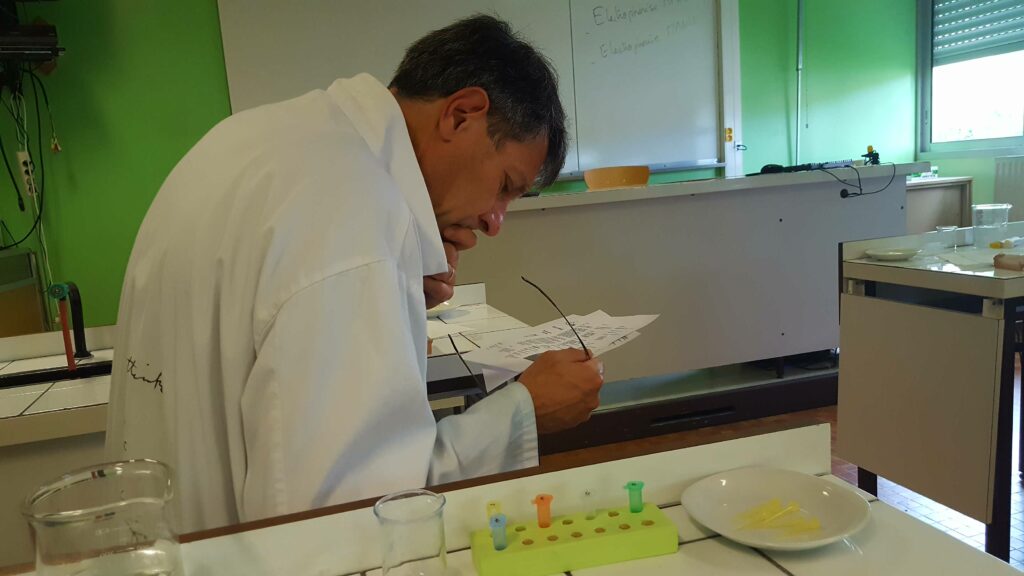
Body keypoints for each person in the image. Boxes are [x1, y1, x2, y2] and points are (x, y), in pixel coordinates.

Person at [106, 15, 604, 534]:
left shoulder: (256, 140)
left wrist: (393, 299)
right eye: (505, 186)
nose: (495, 222)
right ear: (461, 115)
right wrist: (524, 410)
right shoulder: (356, 220)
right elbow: (354, 513)